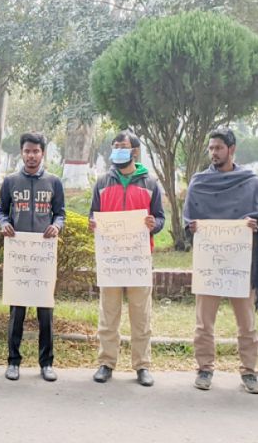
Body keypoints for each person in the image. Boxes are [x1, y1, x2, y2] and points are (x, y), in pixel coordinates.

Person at [183, 127, 258, 394]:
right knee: (204, 323)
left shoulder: (251, 181)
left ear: (231, 149)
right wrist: (191, 227)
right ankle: (204, 368)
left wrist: (255, 224)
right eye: (211, 148)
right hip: (210, 264)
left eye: (219, 148)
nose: (213, 153)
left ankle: (249, 371)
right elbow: (188, 218)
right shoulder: (200, 182)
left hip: (241, 264)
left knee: (247, 323)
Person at [89, 130, 164, 387]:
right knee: (108, 314)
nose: (117, 150)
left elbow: (160, 218)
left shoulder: (150, 183)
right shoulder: (102, 182)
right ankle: (106, 363)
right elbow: (93, 214)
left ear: (134, 151)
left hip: (138, 260)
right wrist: (93, 223)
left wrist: (154, 224)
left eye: (122, 146)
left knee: (141, 315)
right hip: (111, 260)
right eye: (114, 146)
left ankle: (142, 366)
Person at [0, 133, 65, 382]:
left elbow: (60, 213)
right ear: (21, 153)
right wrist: (4, 223)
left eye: (36, 151)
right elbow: (1, 211)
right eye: (27, 151)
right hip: (20, 257)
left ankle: (46, 363)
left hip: (43, 256)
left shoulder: (54, 182)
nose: (31, 155)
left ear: (42, 153)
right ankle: (13, 362)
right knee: (17, 313)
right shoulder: (11, 181)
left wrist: (56, 226)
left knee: (45, 314)